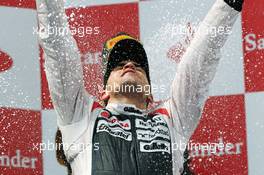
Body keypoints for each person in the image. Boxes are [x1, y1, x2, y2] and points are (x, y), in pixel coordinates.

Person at [36, 0, 244, 174]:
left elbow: (200, 61)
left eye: (138, 65)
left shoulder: (172, 120)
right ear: (104, 92)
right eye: (118, 65)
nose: (129, 64)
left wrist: (228, 5)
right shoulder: (81, 117)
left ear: (150, 95)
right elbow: (57, 47)